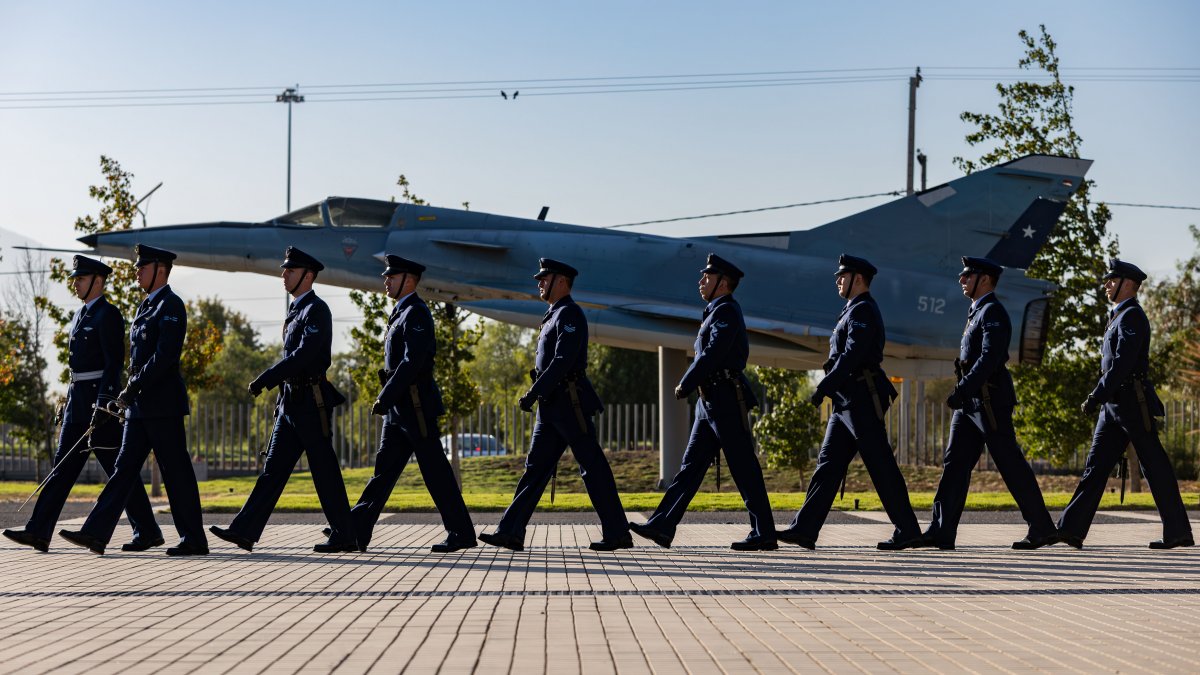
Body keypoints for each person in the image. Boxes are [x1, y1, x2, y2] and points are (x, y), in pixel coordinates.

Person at [4, 256, 162, 553]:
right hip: (78, 403)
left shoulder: (109, 315)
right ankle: (38, 531)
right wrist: (67, 401)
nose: (75, 283)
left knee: (118, 469)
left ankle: (148, 530)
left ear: (98, 281)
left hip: (97, 408)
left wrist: (104, 403)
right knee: (62, 469)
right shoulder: (79, 315)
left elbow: (113, 364)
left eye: (81, 278)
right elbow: (77, 368)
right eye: (75, 278)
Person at [60, 245, 208, 556]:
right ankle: (96, 533)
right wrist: (129, 392)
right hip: (140, 407)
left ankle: (194, 539)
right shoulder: (144, 308)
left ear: (161, 270)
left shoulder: (171, 305)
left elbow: (165, 356)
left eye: (143, 267)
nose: (136, 271)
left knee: (176, 472)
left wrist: (133, 386)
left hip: (163, 406)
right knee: (123, 469)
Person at [209, 247, 357, 553]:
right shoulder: (295, 311)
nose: (283, 275)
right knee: (272, 471)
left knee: (323, 469)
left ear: (308, 275)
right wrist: (279, 398)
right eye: (284, 270)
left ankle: (345, 534)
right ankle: (245, 531)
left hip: (310, 401)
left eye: (290, 271)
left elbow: (304, 356)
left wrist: (267, 377)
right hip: (290, 402)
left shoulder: (317, 310)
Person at [479, 258, 631, 552]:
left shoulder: (570, 314)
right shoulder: (554, 314)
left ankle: (618, 532)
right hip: (551, 407)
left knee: (592, 468)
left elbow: (562, 361)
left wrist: (534, 392)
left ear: (560, 281)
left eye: (544, 278)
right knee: (535, 469)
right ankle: (510, 531)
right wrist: (539, 395)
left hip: (569, 404)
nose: (539, 283)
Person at [629, 254, 777, 551]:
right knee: (690, 468)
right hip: (709, 402)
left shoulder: (727, 311)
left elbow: (713, 353)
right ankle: (662, 524)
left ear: (723, 283)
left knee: (744, 467)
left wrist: (687, 380)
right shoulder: (715, 311)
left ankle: (764, 533)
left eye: (707, 278)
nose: (701, 282)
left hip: (725, 398)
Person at [777, 254, 922, 551]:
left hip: (860, 400)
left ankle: (908, 529)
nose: (837, 280)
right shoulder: (852, 310)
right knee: (828, 465)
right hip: (846, 401)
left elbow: (852, 355)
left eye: (842, 276)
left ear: (858, 279)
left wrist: (825, 385)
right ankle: (805, 529)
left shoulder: (863, 310)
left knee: (880, 465)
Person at [919, 257, 1057, 550]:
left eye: (967, 275)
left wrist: (963, 389)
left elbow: (990, 359)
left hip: (989, 399)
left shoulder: (993, 312)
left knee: (1009, 463)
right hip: (972, 401)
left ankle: (1042, 527)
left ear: (984, 279)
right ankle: (941, 530)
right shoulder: (977, 311)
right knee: (955, 463)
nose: (961, 279)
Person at [1057, 258, 1193, 550]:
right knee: (1095, 466)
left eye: (1111, 280)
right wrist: (1103, 398)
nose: (1106, 284)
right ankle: (1071, 529)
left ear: (1128, 284)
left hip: (1131, 402)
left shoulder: (1131, 316)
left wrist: (1096, 394)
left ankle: (1178, 532)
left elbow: (1122, 364)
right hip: (1113, 407)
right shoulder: (1118, 316)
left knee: (1154, 467)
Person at [349, 254, 476, 553]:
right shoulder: (400, 312)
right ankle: (358, 529)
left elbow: (411, 361)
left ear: (409, 280)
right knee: (383, 471)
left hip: (415, 407)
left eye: (391, 277)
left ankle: (461, 533)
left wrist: (386, 395)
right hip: (400, 409)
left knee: (435, 472)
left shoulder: (416, 312)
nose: (386, 280)